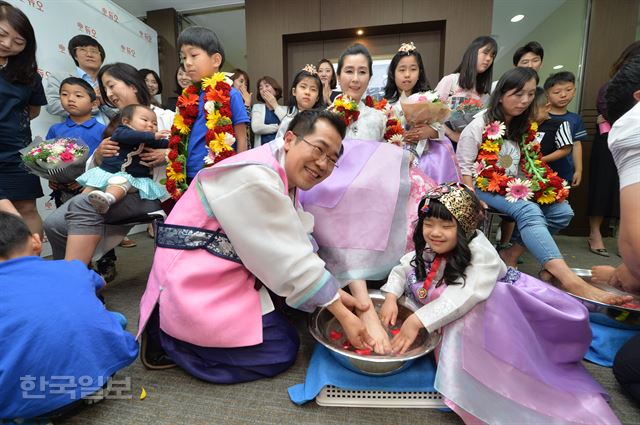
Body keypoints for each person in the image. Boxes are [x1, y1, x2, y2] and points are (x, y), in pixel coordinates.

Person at [137, 110, 374, 383]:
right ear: (289, 139)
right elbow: (286, 255)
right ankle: (170, 341)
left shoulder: (278, 169)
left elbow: (295, 239)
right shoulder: (254, 176)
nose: (322, 163)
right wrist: (343, 313)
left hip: (223, 267)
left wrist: (337, 296)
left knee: (299, 304)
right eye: (319, 149)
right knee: (282, 349)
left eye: (332, 159)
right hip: (195, 279)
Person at [378, 184, 620, 424]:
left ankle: (474, 383)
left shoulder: (482, 254)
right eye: (428, 224)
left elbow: (466, 295)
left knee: (472, 321)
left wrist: (417, 319)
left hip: (501, 313)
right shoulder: (431, 247)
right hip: (457, 304)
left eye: (446, 225)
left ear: (465, 227)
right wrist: (390, 296)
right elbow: (403, 269)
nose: (435, 232)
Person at [456, 66, 631, 306]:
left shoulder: (524, 127)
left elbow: (529, 164)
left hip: (516, 186)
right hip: (482, 186)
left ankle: (511, 253)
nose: (525, 100)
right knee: (529, 210)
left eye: (529, 94)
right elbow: (464, 168)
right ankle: (569, 279)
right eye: (518, 94)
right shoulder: (479, 125)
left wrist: (536, 186)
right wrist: (473, 198)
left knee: (562, 211)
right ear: (501, 94)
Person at [300, 43, 433, 354]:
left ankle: (385, 291)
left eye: (362, 72)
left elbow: (394, 154)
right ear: (336, 77)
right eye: (349, 71)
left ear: (370, 76)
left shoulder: (381, 114)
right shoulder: (325, 116)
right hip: (331, 186)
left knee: (419, 194)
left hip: (370, 190)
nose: (355, 78)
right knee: (343, 204)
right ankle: (365, 304)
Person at [0, 212, 138, 421]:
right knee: (114, 319)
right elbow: (101, 283)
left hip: (25, 403)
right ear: (36, 242)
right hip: (93, 379)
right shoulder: (72, 268)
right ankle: (90, 387)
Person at [44, 63, 173, 265]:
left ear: (133, 85)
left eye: (111, 85)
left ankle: (73, 281)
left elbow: (188, 152)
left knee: (81, 203)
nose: (109, 93)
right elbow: (99, 164)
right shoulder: (114, 123)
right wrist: (98, 155)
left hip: (151, 193)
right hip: (111, 187)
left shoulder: (168, 118)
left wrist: (167, 153)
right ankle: (76, 274)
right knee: (53, 223)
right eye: (105, 89)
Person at [166, 26, 250, 199]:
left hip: (219, 174)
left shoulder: (230, 94)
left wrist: (241, 173)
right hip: (186, 174)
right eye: (183, 57)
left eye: (193, 55)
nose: (187, 62)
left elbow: (242, 138)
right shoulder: (186, 98)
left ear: (216, 60)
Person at [588, 41, 640, 257]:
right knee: (603, 187)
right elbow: (610, 112)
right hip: (607, 142)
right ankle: (596, 233)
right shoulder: (611, 90)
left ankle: (627, 240)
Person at [383, 41, 461, 184]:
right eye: (401, 70)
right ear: (393, 74)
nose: (407, 75)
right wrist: (400, 136)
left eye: (413, 69)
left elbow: (441, 130)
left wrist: (430, 131)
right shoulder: (385, 105)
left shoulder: (429, 99)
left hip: (426, 151)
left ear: (420, 73)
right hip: (397, 153)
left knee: (440, 155)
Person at [0, 1, 46, 237]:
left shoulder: (27, 72)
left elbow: (33, 111)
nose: (7, 45)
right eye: (2, 35)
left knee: (27, 208)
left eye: (18, 42)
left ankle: (30, 265)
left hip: (16, 152)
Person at [76, 104, 169, 215]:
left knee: (120, 183)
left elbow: (164, 144)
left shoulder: (151, 139)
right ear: (126, 122)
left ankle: (109, 199)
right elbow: (131, 136)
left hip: (129, 177)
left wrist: (172, 143)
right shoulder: (121, 131)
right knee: (91, 187)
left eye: (155, 124)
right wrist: (153, 136)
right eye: (145, 120)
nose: (151, 125)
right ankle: (80, 205)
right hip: (107, 171)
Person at [45, 77, 107, 206]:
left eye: (78, 95)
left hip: (94, 189)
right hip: (62, 190)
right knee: (63, 222)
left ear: (94, 103)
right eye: (64, 94)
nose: (70, 99)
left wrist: (87, 180)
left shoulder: (103, 131)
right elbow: (48, 158)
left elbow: (107, 162)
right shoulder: (55, 129)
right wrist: (52, 177)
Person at [435, 36, 497, 143]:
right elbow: (430, 114)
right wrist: (451, 134)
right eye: (485, 53)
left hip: (472, 145)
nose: (488, 59)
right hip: (446, 143)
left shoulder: (485, 92)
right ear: (473, 52)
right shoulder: (451, 81)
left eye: (492, 55)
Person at [45, 34, 114, 125]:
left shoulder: (109, 82)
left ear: (101, 57)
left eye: (94, 51)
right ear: (75, 56)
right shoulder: (59, 78)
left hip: (109, 135)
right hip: (77, 135)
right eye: (83, 50)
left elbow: (120, 114)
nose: (89, 54)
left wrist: (103, 102)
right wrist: (88, 100)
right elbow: (52, 105)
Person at [544, 71, 586, 187]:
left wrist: (578, 170)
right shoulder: (540, 117)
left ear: (574, 91)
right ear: (547, 95)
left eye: (568, 90)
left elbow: (577, 145)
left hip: (565, 172)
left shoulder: (575, 119)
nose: (563, 95)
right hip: (540, 170)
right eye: (557, 92)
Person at [533, 87, 574, 182]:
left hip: (557, 174)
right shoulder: (528, 125)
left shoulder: (559, 124)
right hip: (535, 174)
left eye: (533, 113)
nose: (530, 116)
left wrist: (542, 160)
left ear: (547, 107)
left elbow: (565, 149)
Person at [275, 64, 324, 139]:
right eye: (303, 87)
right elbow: (278, 146)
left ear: (317, 98)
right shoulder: (287, 121)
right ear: (294, 91)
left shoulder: (322, 122)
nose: (307, 92)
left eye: (313, 89)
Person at [252, 75, 287, 147]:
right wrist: (277, 127)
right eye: (260, 88)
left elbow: (288, 125)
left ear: (275, 89)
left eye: (267, 86)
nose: (264, 90)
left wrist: (275, 105)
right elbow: (256, 128)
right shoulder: (257, 107)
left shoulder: (286, 109)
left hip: (280, 150)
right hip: (262, 151)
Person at [231, 68, 253, 147]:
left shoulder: (245, 102)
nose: (243, 86)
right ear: (232, 80)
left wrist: (247, 104)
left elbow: (246, 128)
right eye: (241, 81)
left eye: (246, 84)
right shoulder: (226, 98)